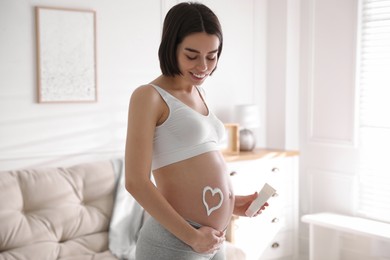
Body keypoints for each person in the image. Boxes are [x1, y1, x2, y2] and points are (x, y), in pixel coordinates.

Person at [125, 2, 267, 260]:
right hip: (174, 242)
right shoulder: (149, 96)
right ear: (172, 48)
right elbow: (135, 181)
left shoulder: (199, 93)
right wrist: (192, 236)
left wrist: (234, 204)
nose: (203, 66)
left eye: (211, 56)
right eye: (192, 56)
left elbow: (189, 171)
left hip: (213, 239)